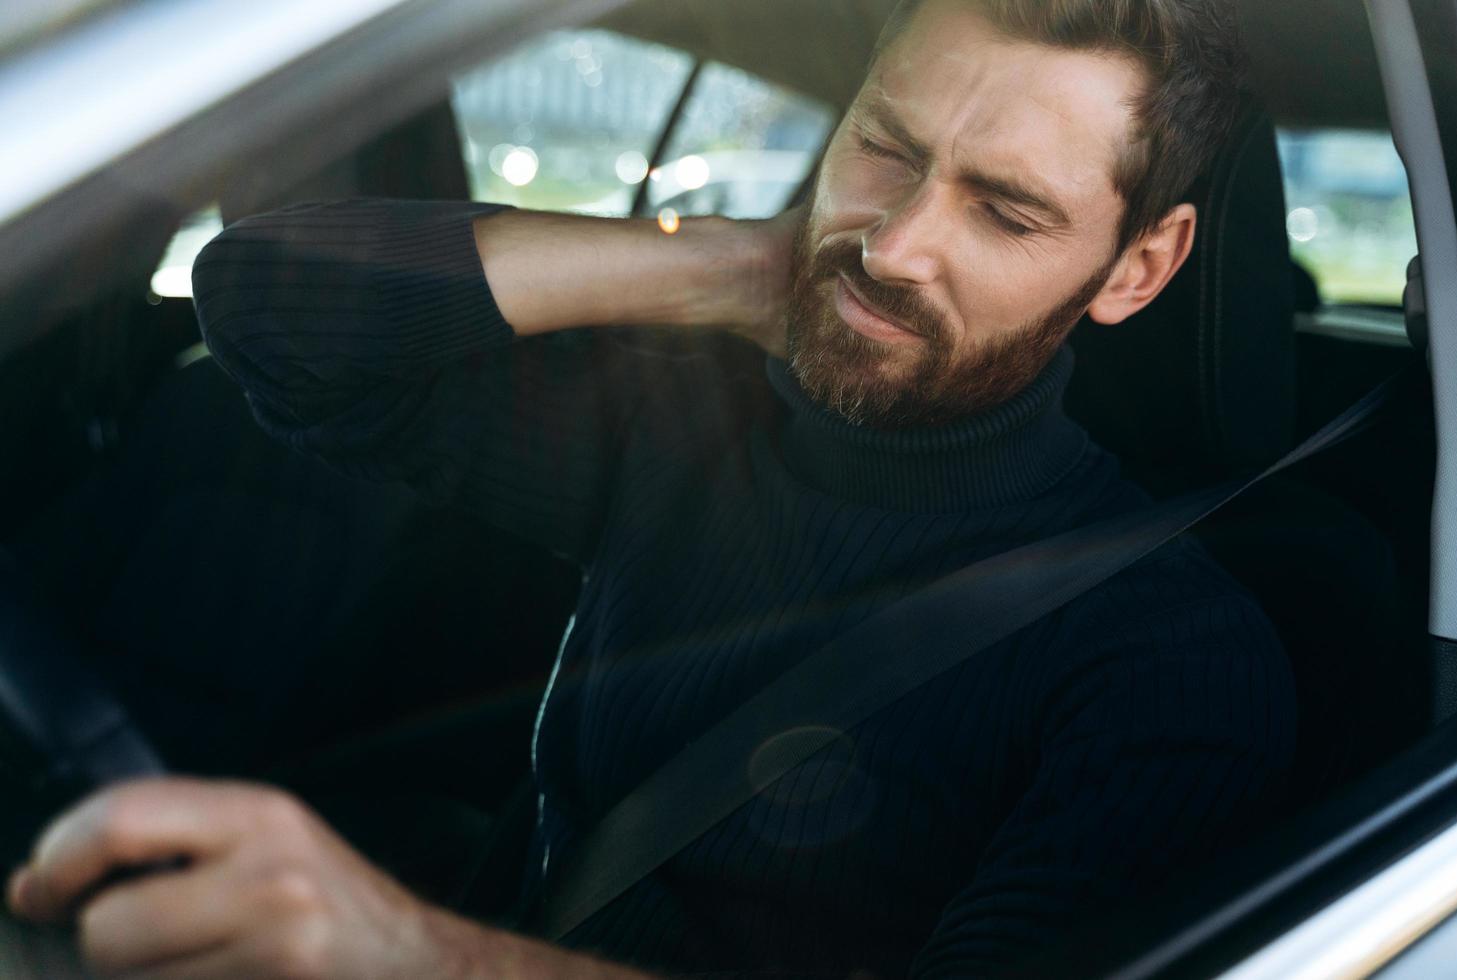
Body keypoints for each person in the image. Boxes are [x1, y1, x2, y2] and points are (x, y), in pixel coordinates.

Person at [4, 0, 1295, 976]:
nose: (895, 247)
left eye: (1003, 215)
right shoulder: (687, 431)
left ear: (1135, 270)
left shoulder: (1165, 655)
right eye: (883, 151)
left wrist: (418, 952)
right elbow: (266, 306)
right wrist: (731, 270)